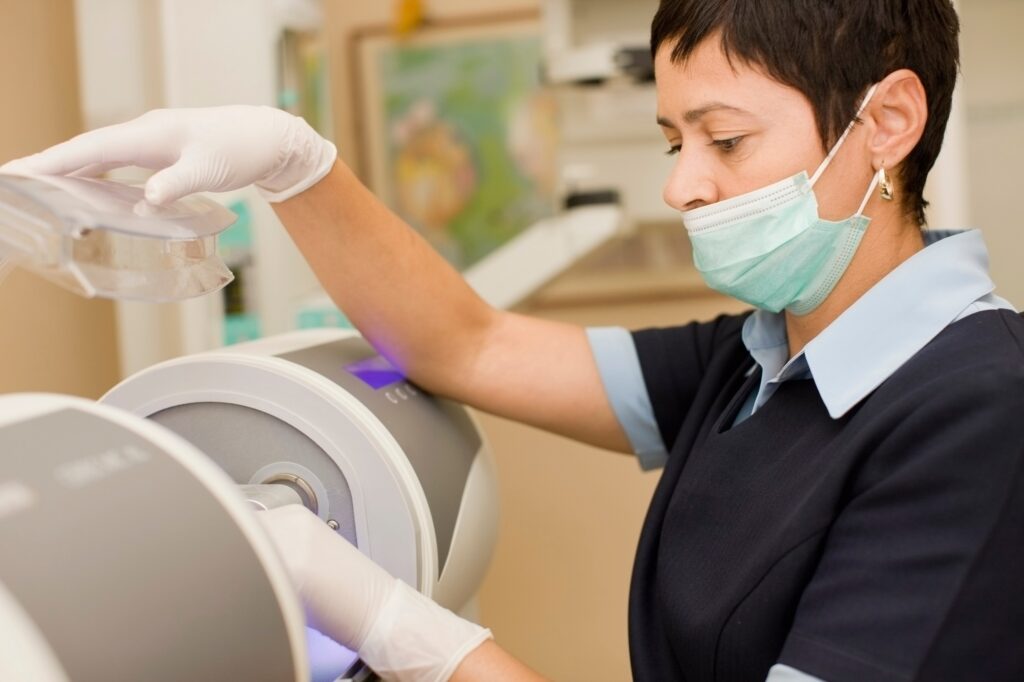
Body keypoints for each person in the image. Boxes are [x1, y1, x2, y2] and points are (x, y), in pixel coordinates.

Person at [4, 1, 1023, 680]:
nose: (682, 186)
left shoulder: (979, 412)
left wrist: (397, 626)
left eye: (725, 139)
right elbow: (467, 348)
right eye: (675, 143)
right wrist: (293, 164)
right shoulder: (758, 357)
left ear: (886, 120)